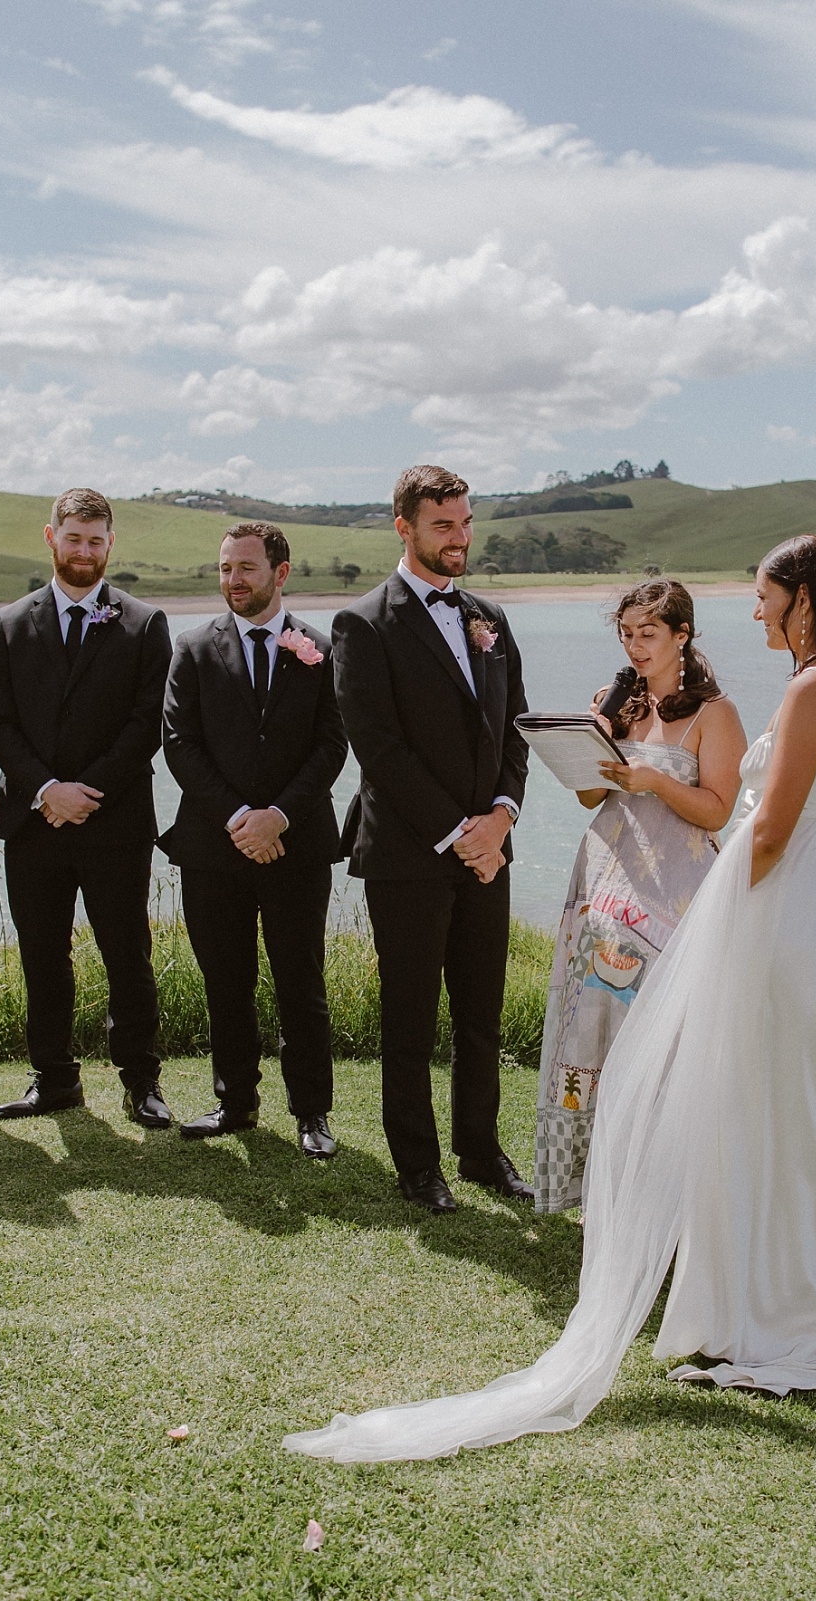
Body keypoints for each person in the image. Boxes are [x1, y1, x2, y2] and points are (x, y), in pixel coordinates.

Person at [288, 534, 816, 1461]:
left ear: (804, 601)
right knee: (799, 1097)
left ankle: (774, 1307)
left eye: (764, 597)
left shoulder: (808, 689)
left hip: (781, 904)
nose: (753, 613)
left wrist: (708, 911)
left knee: (769, 1095)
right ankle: (794, 1286)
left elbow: (771, 827)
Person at [331, 465, 533, 1214]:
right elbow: (378, 747)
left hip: (489, 851)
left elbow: (516, 725)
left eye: (465, 522)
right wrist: (458, 832)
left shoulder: (489, 617)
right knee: (410, 1018)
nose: (459, 538)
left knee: (482, 1014)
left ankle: (480, 1151)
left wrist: (503, 817)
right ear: (404, 528)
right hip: (410, 856)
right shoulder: (363, 623)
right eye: (443, 525)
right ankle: (418, 1165)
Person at [532, 581, 743, 1212]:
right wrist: (588, 740)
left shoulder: (716, 715)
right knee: (591, 1032)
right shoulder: (616, 703)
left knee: (658, 1040)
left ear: (682, 635)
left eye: (647, 633)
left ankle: (660, 1199)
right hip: (603, 885)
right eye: (626, 634)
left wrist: (650, 779)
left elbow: (717, 811)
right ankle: (594, 1190)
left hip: (672, 897)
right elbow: (590, 799)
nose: (634, 646)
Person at [0, 488, 176, 1127]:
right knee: (42, 951)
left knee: (127, 951)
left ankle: (141, 1082)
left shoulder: (144, 624)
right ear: (51, 538)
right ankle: (54, 1078)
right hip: (32, 820)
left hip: (113, 819)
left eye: (96, 540)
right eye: (74, 539)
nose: (85, 551)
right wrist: (45, 791)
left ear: (109, 544)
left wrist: (87, 792)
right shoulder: (10, 624)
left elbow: (148, 722)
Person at [160, 522, 347, 1158]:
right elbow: (179, 744)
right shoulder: (191, 647)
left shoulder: (320, 650)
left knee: (302, 981)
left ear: (280, 573)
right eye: (224, 569)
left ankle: (312, 1114)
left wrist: (279, 816)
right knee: (226, 982)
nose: (233, 580)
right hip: (215, 847)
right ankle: (234, 1101)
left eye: (245, 568)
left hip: (296, 846)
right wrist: (241, 817)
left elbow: (332, 746)